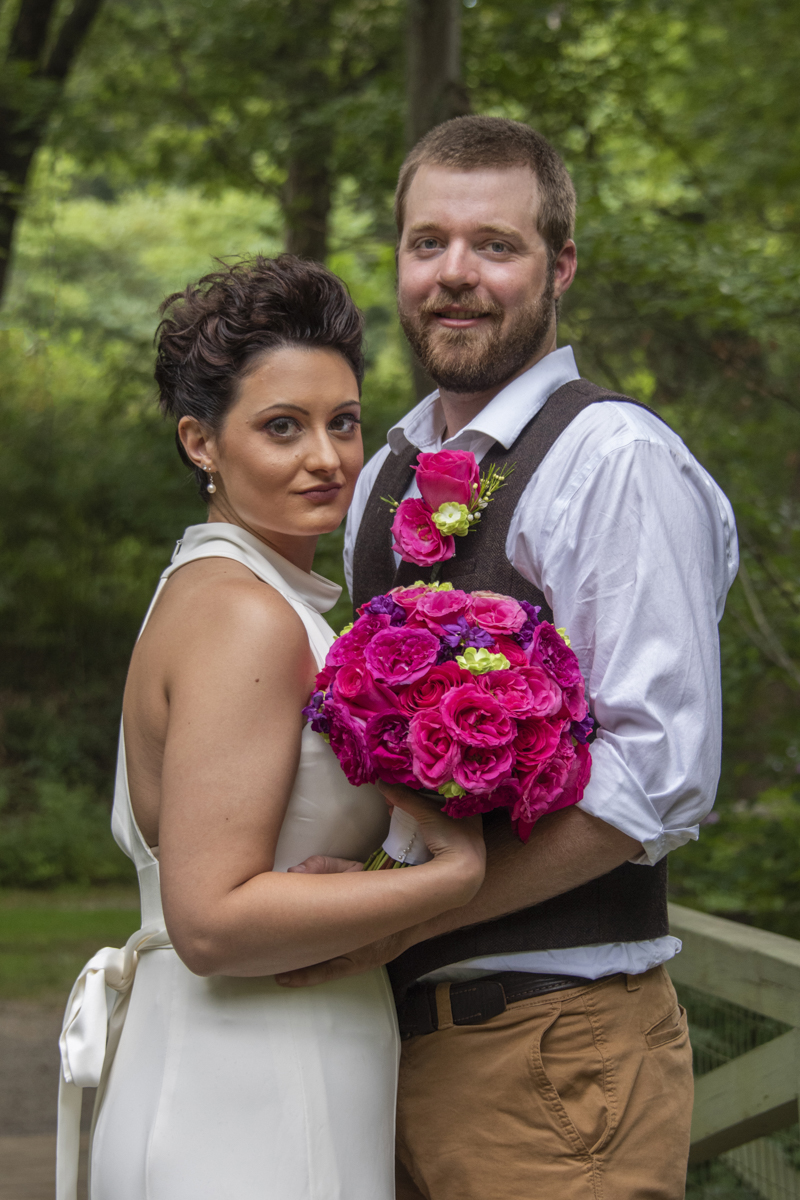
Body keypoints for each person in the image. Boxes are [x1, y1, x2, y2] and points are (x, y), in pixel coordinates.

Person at [277, 117, 739, 1199]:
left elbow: (655, 779)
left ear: (559, 266)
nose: (454, 277)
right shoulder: (383, 464)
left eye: (495, 246)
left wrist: (402, 912)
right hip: (382, 1050)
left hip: (555, 1052)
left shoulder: (612, 460)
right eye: (426, 242)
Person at [55, 254, 485, 1200]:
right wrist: (452, 876)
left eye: (343, 423)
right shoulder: (243, 616)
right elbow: (210, 922)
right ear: (201, 442)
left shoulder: (236, 592)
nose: (326, 458)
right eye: (281, 427)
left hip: (270, 1060)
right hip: (252, 1091)